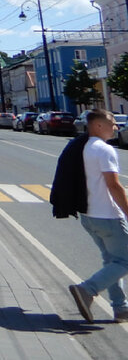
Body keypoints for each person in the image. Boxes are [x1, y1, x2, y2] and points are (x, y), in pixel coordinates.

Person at [66, 109, 128, 323]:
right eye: (112, 123)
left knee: (112, 262)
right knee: (125, 261)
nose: (116, 127)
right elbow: (114, 185)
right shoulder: (104, 150)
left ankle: (121, 309)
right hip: (108, 215)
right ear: (98, 126)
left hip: (89, 214)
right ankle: (87, 290)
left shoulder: (82, 147)